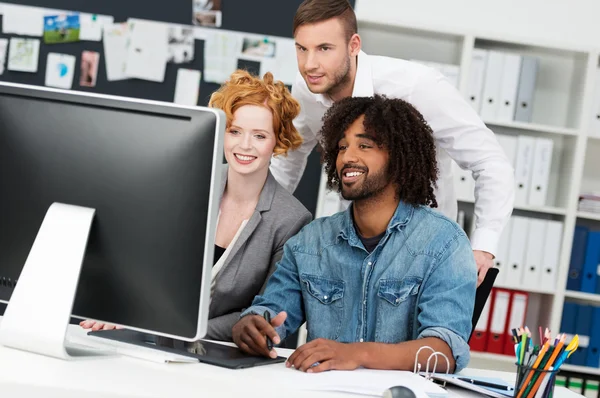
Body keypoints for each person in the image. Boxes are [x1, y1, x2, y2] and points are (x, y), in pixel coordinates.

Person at [269, 0, 515, 285]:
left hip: (424, 253)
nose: (310, 64)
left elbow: (490, 162)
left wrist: (482, 247)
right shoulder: (307, 90)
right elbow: (288, 158)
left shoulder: (416, 86)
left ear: (354, 45)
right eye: (302, 48)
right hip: (353, 249)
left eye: (324, 48)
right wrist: (258, 225)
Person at [233, 95, 477, 374]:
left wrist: (356, 353)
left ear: (399, 157)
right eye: (341, 147)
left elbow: (444, 352)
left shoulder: (444, 243)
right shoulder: (310, 242)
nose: (347, 157)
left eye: (365, 145)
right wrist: (251, 324)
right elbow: (271, 312)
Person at [80, 70, 312, 341]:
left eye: (260, 136)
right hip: (148, 334)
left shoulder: (292, 220)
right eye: (234, 131)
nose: (245, 145)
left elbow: (260, 312)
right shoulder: (189, 182)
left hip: (216, 352)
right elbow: (146, 266)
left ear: (278, 141)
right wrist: (121, 309)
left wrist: (181, 333)